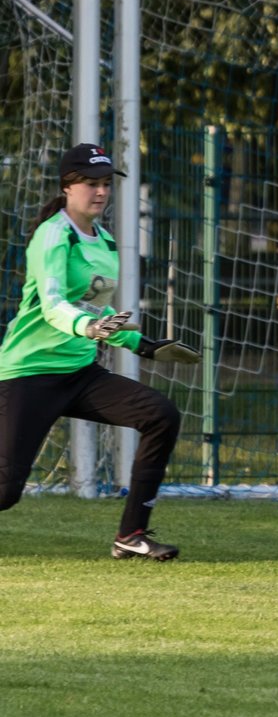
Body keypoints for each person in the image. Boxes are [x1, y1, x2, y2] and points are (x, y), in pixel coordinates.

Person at [0, 143, 198, 560]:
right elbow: (55, 305)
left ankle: (131, 536)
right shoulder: (52, 235)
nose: (101, 191)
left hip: (79, 373)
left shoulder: (104, 241)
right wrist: (86, 326)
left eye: (106, 183)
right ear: (68, 187)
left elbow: (98, 310)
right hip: (29, 374)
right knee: (5, 492)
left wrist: (142, 344)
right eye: (91, 183)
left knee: (160, 415)